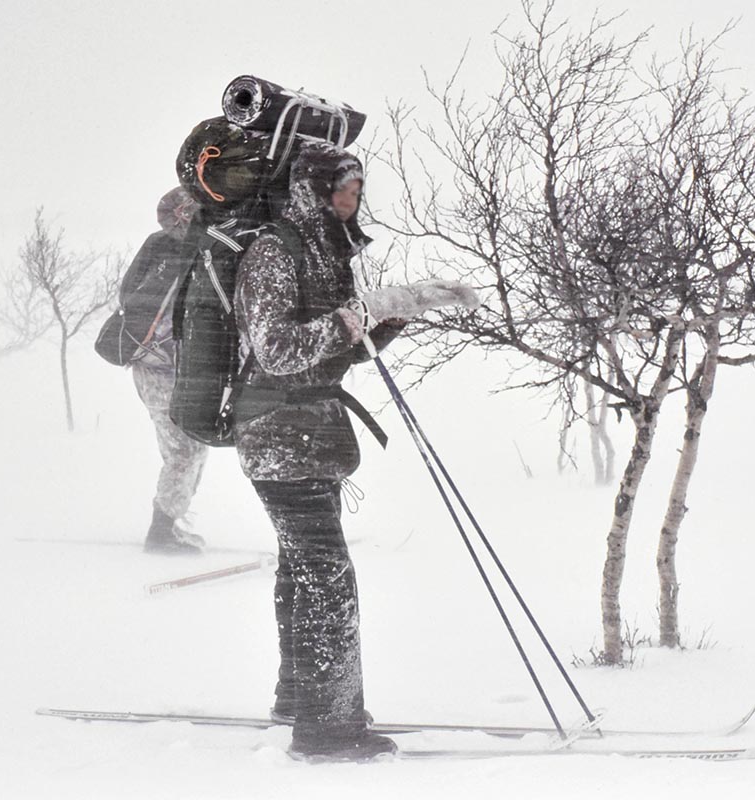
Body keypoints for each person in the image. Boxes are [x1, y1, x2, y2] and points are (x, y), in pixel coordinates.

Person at [232, 141, 478, 761]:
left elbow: (335, 355)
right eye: (342, 187)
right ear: (311, 190)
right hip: (275, 434)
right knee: (327, 574)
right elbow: (278, 352)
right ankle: (329, 729)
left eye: (358, 189)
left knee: (303, 567)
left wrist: (398, 312)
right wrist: (359, 313)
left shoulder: (326, 253)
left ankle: (300, 700)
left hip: (310, 433)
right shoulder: (272, 252)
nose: (352, 199)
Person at [123, 187, 210, 555]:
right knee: (185, 451)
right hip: (162, 367)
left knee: (189, 448)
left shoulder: (157, 244)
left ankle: (170, 520)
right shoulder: (196, 251)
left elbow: (125, 294)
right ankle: (161, 532)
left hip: (153, 365)